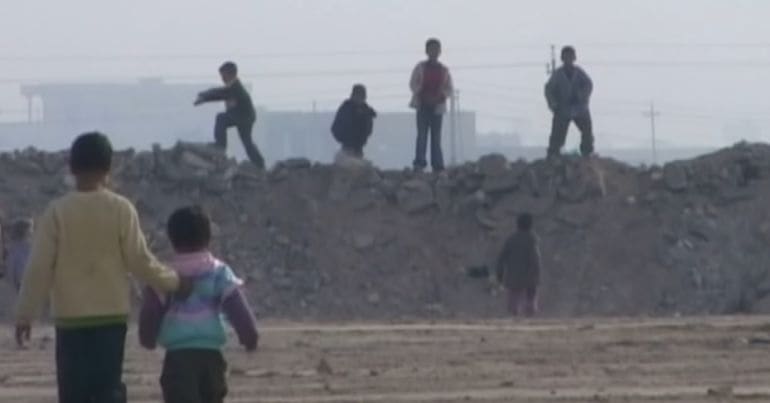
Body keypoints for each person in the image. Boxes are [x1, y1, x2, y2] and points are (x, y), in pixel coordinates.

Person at [14, 132, 192, 403]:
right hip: (111, 319)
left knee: (74, 392)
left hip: (70, 321)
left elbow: (38, 268)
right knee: (107, 388)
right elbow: (140, 261)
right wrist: (174, 282)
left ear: (72, 168)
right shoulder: (121, 209)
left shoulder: (57, 212)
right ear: (109, 168)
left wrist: (25, 315)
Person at [139, 205, 258, 403]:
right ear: (208, 237)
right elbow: (237, 308)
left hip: (178, 360)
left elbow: (151, 310)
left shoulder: (165, 275)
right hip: (211, 359)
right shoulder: (219, 272)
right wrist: (249, 337)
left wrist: (148, 339)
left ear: (172, 238)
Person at [194, 61, 265, 169]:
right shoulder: (233, 86)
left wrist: (204, 96)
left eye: (223, 75)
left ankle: (220, 147)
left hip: (244, 117)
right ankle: (260, 164)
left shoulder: (235, 87)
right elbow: (221, 93)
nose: (222, 78)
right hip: (245, 116)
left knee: (221, 118)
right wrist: (204, 97)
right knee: (247, 142)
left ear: (230, 74)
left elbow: (220, 93)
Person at [409, 38, 453, 173]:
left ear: (439, 51)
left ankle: (437, 165)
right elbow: (413, 83)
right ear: (426, 51)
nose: (433, 52)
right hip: (422, 105)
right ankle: (419, 163)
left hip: (437, 107)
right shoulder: (420, 68)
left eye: (436, 49)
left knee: (436, 137)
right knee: (422, 135)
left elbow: (449, 88)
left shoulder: (444, 70)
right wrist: (422, 95)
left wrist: (439, 98)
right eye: (431, 49)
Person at [544, 46, 594, 158]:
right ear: (562, 58)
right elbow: (549, 89)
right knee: (557, 135)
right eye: (566, 57)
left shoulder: (579, 73)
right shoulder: (558, 74)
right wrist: (553, 104)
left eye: (570, 57)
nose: (568, 60)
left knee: (587, 131)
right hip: (562, 109)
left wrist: (581, 96)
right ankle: (554, 154)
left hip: (579, 108)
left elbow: (588, 85)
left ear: (574, 58)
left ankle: (587, 152)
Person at [496, 213, 542, 317]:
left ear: (517, 224)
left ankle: (514, 317)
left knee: (513, 298)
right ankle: (529, 317)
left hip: (513, 276)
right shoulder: (532, 240)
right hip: (530, 277)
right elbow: (536, 259)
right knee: (531, 297)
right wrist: (537, 275)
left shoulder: (511, 240)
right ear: (531, 225)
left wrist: (499, 273)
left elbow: (501, 258)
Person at [331, 84, 377, 159]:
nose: (360, 99)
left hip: (358, 149)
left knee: (358, 166)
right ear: (353, 96)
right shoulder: (346, 109)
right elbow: (335, 128)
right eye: (358, 96)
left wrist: (362, 139)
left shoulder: (366, 111)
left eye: (362, 96)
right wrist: (345, 139)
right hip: (347, 148)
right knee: (346, 166)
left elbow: (368, 129)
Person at [4, 218, 33, 293]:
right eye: (30, 230)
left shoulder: (13, 249)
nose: (31, 232)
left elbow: (11, 273)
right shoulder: (27, 248)